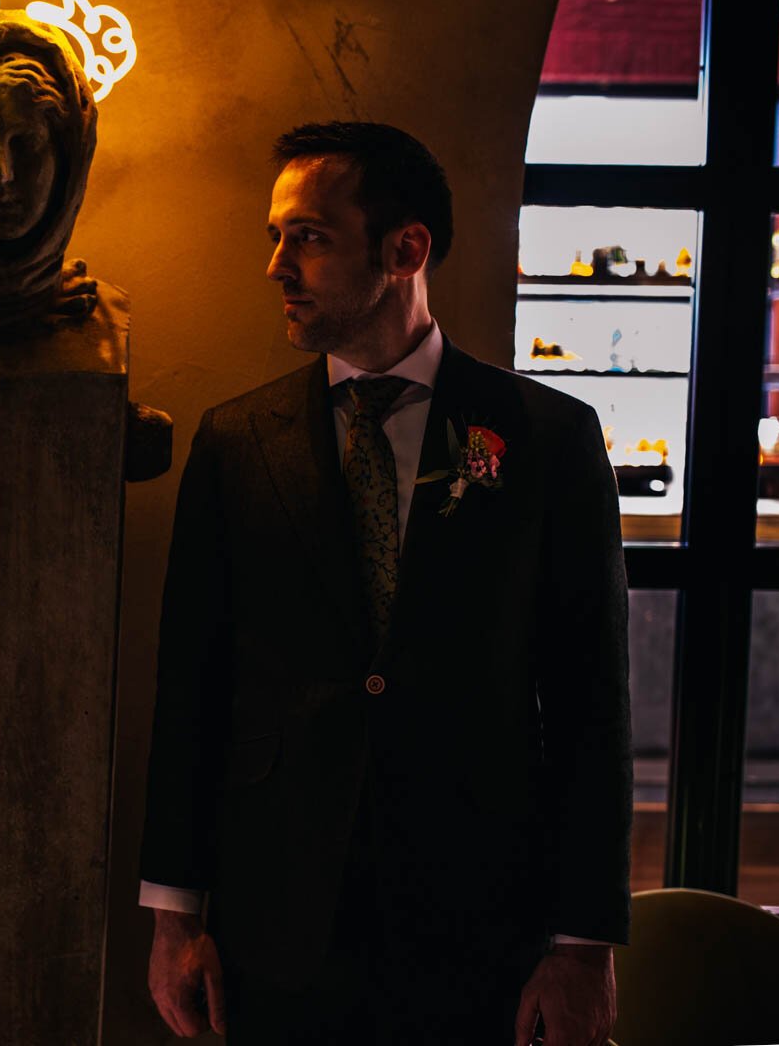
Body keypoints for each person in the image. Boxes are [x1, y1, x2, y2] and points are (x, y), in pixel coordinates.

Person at [139, 123, 630, 1045]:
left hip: (482, 930)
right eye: (275, 237)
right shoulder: (236, 442)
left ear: (406, 249)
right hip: (275, 928)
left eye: (310, 237)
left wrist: (584, 947)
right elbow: (191, 691)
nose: (278, 265)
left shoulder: (548, 439)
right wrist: (175, 917)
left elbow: (588, 706)